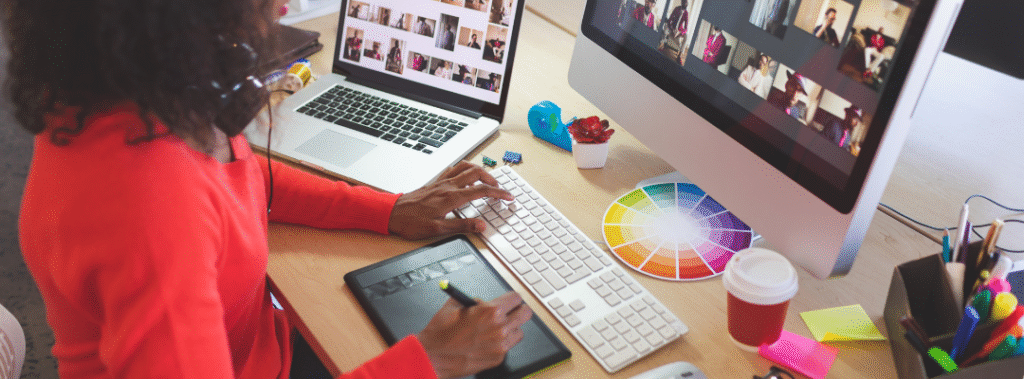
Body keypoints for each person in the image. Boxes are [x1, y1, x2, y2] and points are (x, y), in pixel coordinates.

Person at [4, 1, 533, 379]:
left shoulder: (125, 97)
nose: (285, 5)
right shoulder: (151, 208)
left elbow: (241, 174)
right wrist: (431, 363)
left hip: (257, 348)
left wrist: (387, 209)